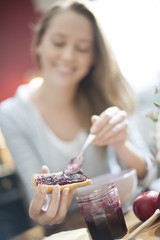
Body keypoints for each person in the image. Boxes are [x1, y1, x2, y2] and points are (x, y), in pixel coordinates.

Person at [0, 0, 156, 227]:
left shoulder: (105, 95)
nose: (68, 56)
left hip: (131, 219)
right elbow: (39, 202)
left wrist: (121, 144)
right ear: (39, 44)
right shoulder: (11, 115)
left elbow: (148, 175)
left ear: (94, 57)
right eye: (58, 42)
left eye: (82, 48)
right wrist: (46, 213)